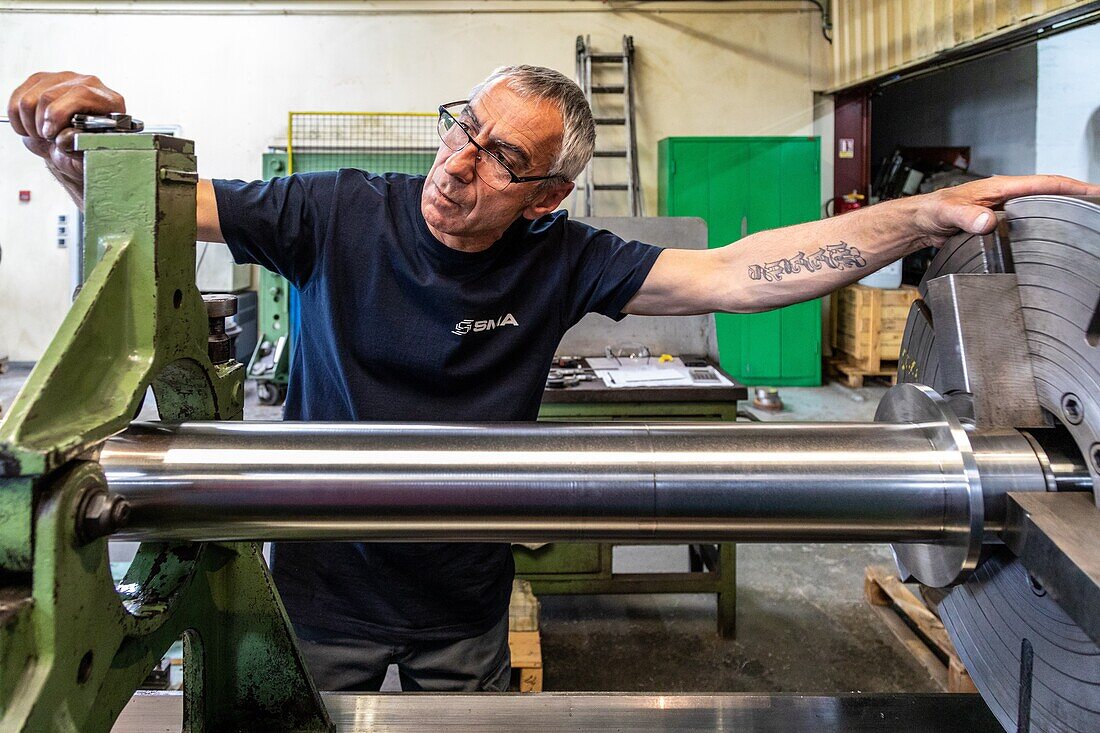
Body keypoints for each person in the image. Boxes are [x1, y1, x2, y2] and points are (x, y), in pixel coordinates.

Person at [9, 67, 1099, 693]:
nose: (455, 164)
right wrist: (68, 148)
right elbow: (158, 211)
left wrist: (913, 216)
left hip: (461, 600)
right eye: (460, 131)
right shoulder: (336, 211)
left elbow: (736, 273)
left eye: (498, 159)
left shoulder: (562, 256)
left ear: (545, 197)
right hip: (318, 588)